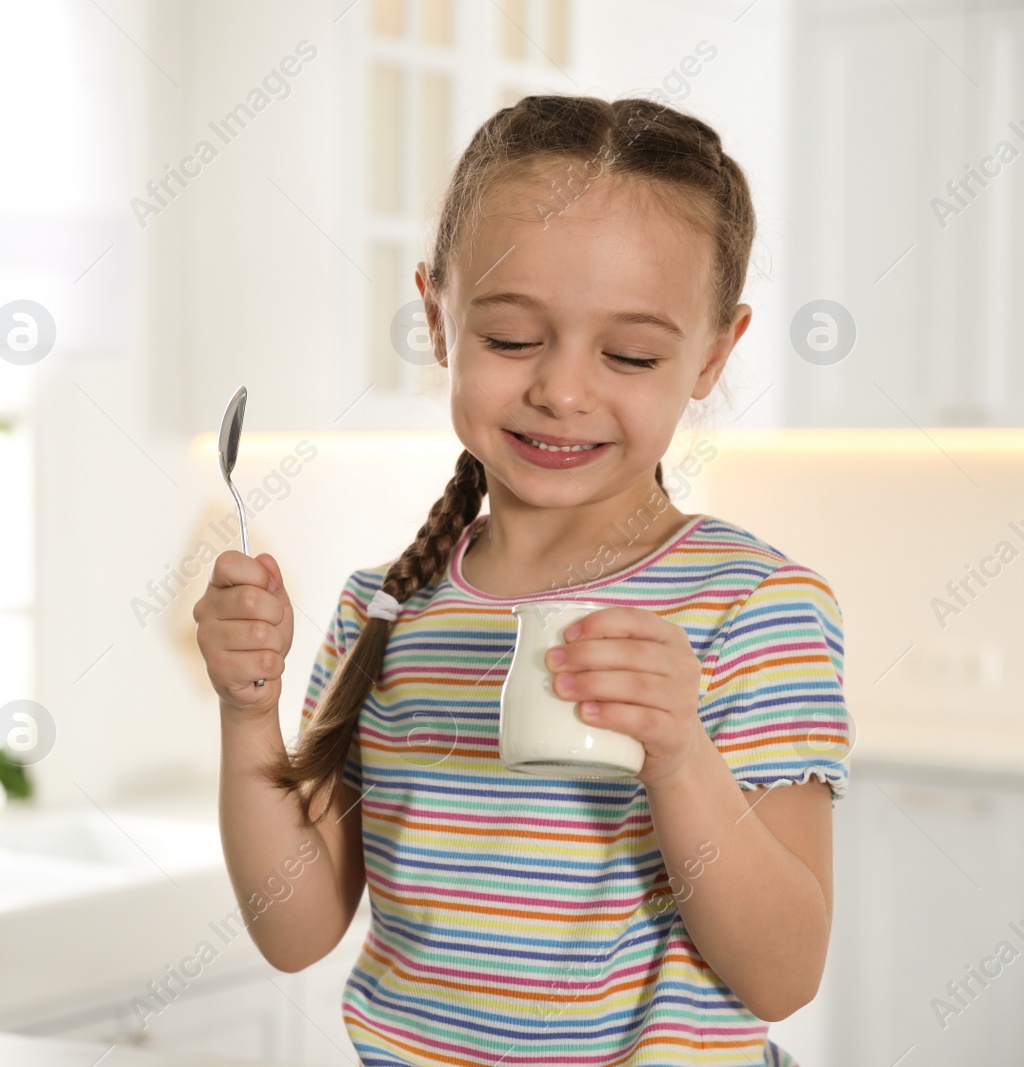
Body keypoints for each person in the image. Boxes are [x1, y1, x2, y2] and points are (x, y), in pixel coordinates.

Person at [193, 94, 851, 1066]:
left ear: (712, 353)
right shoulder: (389, 606)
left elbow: (781, 973)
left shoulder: (755, 610)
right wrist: (246, 710)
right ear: (436, 317)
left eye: (629, 353)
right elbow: (294, 932)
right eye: (509, 338)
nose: (564, 390)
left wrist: (677, 755)